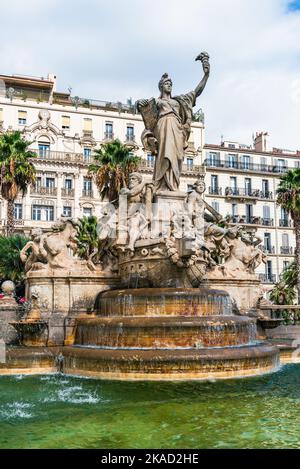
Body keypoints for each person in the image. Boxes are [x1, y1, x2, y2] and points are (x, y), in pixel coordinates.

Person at [137, 52, 210, 192]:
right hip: (163, 127)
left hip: (177, 129)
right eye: (166, 83)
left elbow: (196, 92)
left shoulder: (179, 101)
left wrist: (206, 74)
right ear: (161, 86)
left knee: (176, 158)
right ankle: (161, 184)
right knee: (164, 154)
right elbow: (145, 110)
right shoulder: (157, 101)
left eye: (170, 83)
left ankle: (173, 185)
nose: (169, 85)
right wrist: (139, 103)